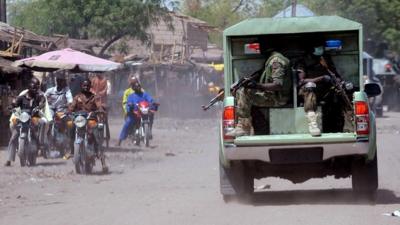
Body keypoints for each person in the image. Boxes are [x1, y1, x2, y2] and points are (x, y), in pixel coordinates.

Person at [226, 51, 290, 137]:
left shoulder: (276, 60)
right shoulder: (271, 59)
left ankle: (244, 128)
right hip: (273, 96)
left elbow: (277, 85)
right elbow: (261, 75)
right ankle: (254, 124)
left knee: (244, 92)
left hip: (278, 98)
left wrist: (257, 86)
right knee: (241, 92)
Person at [296, 45, 350, 136]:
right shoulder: (303, 61)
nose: (320, 49)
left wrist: (339, 81)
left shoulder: (325, 59)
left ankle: (349, 124)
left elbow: (335, 75)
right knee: (310, 89)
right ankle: (312, 123)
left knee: (342, 92)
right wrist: (321, 78)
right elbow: (301, 81)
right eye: (318, 47)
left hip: (326, 90)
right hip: (309, 91)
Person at [5, 77, 50, 166]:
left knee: (44, 122)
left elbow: (42, 101)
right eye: (34, 87)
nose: (36, 89)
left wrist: (40, 106)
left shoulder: (39, 96)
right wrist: (11, 106)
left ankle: (41, 142)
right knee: (14, 136)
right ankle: (9, 159)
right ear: (29, 86)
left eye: (37, 87)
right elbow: (15, 103)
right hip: (23, 118)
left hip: (34, 118)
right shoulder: (22, 97)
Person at [69, 79, 108, 171]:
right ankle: (71, 150)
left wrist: (101, 109)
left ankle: (103, 162)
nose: (85, 87)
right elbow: (72, 107)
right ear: (81, 86)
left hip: (91, 119)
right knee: (71, 128)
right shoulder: (77, 97)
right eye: (84, 85)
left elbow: (99, 105)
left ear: (90, 87)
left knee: (97, 137)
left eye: (87, 86)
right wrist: (69, 110)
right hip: (80, 119)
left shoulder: (94, 97)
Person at [117, 78, 154, 146]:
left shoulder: (144, 94)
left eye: (139, 86)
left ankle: (149, 132)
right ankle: (120, 140)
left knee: (151, 115)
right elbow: (127, 103)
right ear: (133, 87)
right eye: (136, 86)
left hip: (143, 113)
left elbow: (150, 100)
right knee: (127, 123)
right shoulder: (131, 96)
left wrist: (152, 104)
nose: (138, 87)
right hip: (134, 114)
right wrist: (130, 106)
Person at [45, 74, 73, 158]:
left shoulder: (66, 90)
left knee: (69, 124)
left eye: (62, 81)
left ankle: (68, 140)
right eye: (59, 81)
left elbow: (70, 100)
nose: (61, 83)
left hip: (61, 110)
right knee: (47, 122)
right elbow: (43, 97)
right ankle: (46, 139)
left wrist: (69, 107)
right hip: (51, 109)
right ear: (57, 82)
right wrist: (45, 101)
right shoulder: (51, 90)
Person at [90, 73, 110, 146]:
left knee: (105, 121)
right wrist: (94, 93)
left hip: (103, 102)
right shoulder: (93, 80)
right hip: (94, 102)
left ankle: (107, 136)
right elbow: (91, 88)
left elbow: (106, 89)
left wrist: (100, 94)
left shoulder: (105, 80)